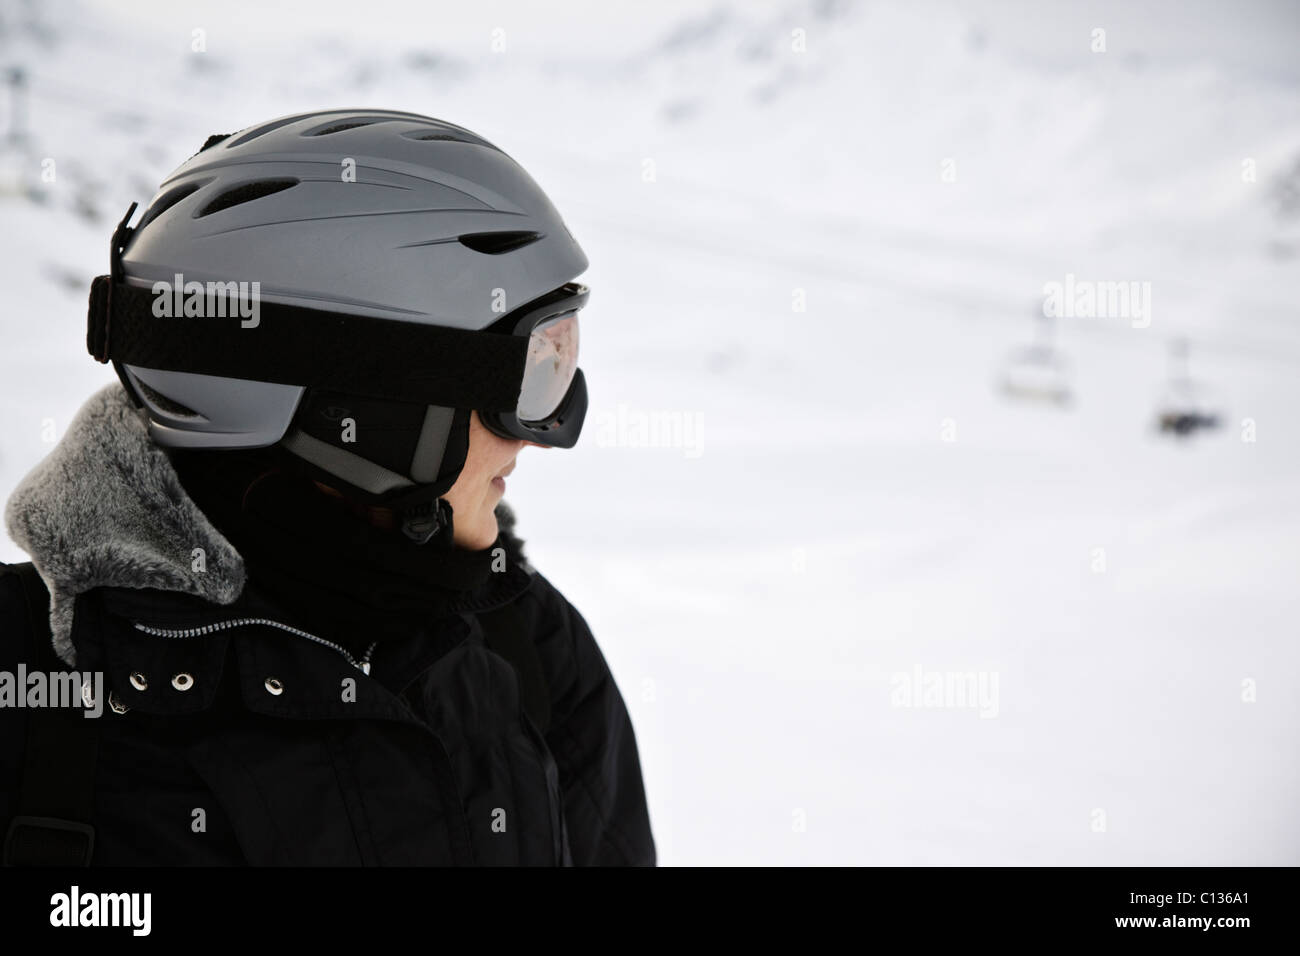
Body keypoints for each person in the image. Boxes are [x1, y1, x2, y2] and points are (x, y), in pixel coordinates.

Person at [0, 108, 655, 866]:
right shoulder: (29, 691)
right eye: (531, 377)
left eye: (560, 362)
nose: (538, 435)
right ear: (368, 409)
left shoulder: (529, 651)